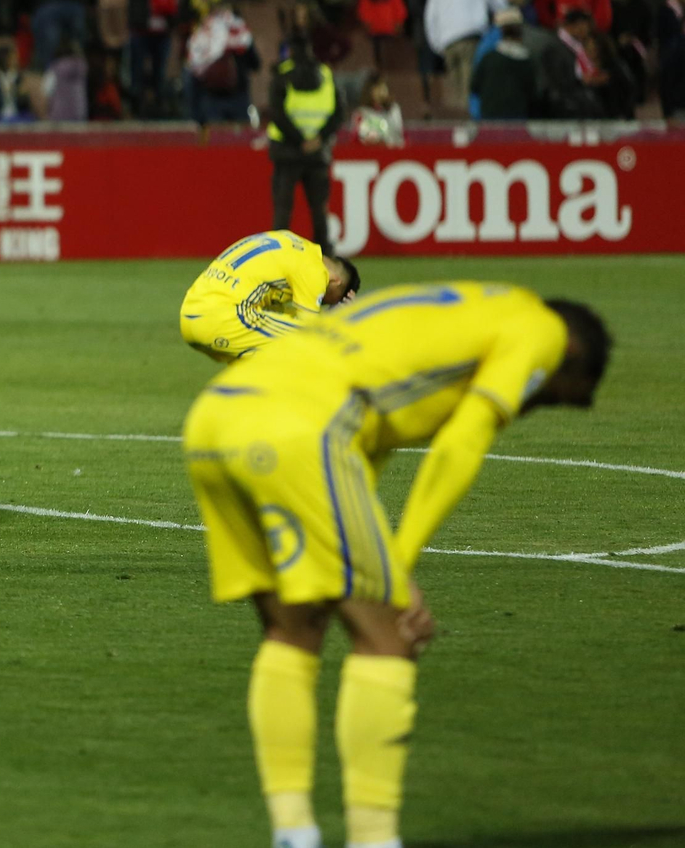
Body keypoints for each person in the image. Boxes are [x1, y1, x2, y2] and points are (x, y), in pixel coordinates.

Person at [182, 283, 610, 848]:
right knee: (389, 637)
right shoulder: (542, 330)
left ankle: (293, 831)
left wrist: (385, 562)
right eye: (552, 396)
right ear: (572, 355)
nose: (529, 406)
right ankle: (374, 837)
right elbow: (462, 443)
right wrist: (397, 571)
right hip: (300, 428)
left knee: (293, 630)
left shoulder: (457, 306)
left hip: (216, 418)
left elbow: (364, 454)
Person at [178, 230, 359, 363]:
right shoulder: (315, 270)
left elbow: (278, 317)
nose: (321, 302)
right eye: (327, 301)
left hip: (190, 315)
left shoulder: (290, 244)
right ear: (336, 282)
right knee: (317, 343)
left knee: (258, 375)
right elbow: (309, 330)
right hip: (225, 316)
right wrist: (337, 319)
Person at [267, 39, 343, 250]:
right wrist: (318, 138)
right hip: (317, 152)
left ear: (290, 51)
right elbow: (340, 112)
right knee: (319, 211)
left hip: (287, 151)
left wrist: (299, 140)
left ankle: (277, 256)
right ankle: (324, 257)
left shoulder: (282, 74)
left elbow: (276, 113)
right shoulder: (326, 74)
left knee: (283, 210)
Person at [423, 0, 508, 111]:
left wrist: (438, 46)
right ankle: (471, 126)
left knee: (458, 96)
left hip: (448, 45)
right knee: (471, 92)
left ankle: (461, 125)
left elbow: (430, 19)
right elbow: (502, 7)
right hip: (471, 41)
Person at [470, 7, 538, 120]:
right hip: (517, 119)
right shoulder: (526, 61)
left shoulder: (488, 55)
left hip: (489, 118)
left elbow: (475, 86)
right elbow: (532, 93)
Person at [0, 44, 33, 121]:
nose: (15, 61)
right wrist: (3, 93)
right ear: (3, 59)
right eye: (12, 58)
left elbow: (25, 106)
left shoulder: (17, 78)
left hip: (17, 116)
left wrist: (21, 95)